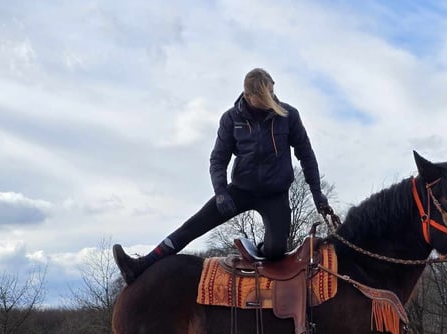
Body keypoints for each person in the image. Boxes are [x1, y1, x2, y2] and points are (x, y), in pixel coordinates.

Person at [113, 68, 333, 285]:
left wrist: (317, 193)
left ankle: (258, 249)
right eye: (264, 98)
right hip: (240, 191)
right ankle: (141, 265)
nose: (271, 101)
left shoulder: (288, 115)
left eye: (273, 94)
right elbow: (218, 160)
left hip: (275, 194)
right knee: (193, 226)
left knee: (276, 250)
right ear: (248, 96)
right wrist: (220, 193)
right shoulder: (230, 119)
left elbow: (306, 154)